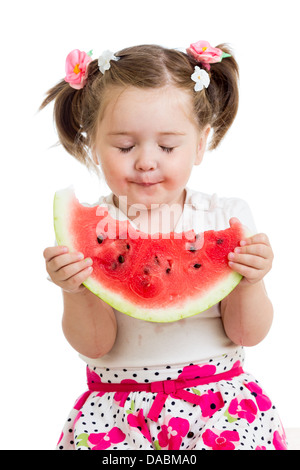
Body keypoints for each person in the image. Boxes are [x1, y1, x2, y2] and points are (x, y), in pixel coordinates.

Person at [41, 41, 287, 450]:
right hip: (115, 413)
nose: (146, 161)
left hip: (217, 406)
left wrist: (250, 281)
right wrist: (74, 289)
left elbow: (247, 332)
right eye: (124, 146)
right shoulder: (91, 232)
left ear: (202, 143)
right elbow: (95, 345)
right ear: (93, 146)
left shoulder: (225, 218)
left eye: (168, 147)